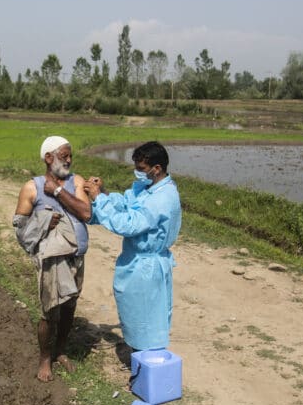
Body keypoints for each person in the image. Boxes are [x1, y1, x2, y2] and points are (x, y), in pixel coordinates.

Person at [82, 141, 181, 358]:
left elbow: (128, 224)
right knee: (135, 313)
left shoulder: (162, 199)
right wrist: (105, 193)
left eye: (141, 169)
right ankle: (139, 353)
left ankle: (147, 361)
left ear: (156, 168)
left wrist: (98, 198)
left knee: (147, 317)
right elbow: (128, 202)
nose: (137, 173)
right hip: (137, 262)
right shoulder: (148, 189)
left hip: (146, 267)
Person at [13, 136, 92, 382]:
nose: (69, 160)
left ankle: (60, 351)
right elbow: (19, 226)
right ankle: (45, 359)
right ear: (49, 158)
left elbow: (85, 213)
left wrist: (57, 192)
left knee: (70, 307)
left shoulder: (76, 181)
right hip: (52, 261)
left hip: (76, 257)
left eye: (70, 156)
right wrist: (44, 221)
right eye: (64, 155)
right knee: (50, 312)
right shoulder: (32, 187)